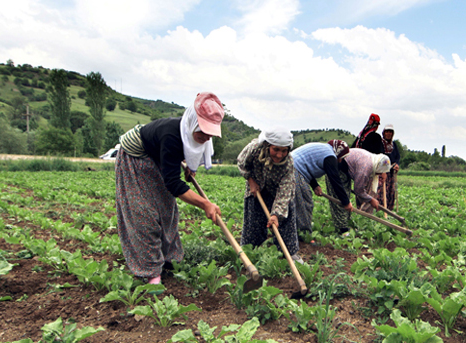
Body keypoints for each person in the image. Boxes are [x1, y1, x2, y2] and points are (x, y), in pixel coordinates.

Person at [116, 92, 223, 287]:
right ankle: (150, 273)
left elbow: (186, 153)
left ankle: (169, 260)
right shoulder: (172, 135)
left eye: (210, 134)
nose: (207, 138)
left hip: (156, 158)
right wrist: (205, 204)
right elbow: (173, 183)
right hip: (135, 157)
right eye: (203, 133)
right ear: (192, 125)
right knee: (144, 214)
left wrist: (190, 167)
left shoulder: (197, 135)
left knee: (167, 211)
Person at [237, 128, 302, 263]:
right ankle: (250, 251)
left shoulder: (288, 163)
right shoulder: (255, 149)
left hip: (277, 190)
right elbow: (242, 163)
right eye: (276, 150)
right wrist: (250, 180)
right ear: (268, 146)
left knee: (285, 220)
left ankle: (289, 253)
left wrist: (276, 214)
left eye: (284, 151)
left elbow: (285, 190)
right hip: (256, 185)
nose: (279, 155)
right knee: (253, 218)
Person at [292, 140, 354, 234]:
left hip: (293, 166)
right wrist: (346, 202)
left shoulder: (324, 150)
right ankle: (304, 234)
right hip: (294, 169)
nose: (340, 161)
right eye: (341, 157)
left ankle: (293, 231)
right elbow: (335, 181)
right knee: (304, 202)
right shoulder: (330, 156)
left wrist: (315, 185)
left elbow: (307, 164)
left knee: (293, 202)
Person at [327, 148, 391, 235]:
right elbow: (358, 190)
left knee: (346, 197)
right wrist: (371, 199)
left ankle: (345, 224)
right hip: (336, 170)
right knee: (340, 199)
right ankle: (342, 229)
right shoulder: (366, 167)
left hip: (344, 170)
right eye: (380, 172)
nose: (379, 175)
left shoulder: (372, 159)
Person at [377, 124, 401, 211]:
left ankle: (389, 210)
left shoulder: (394, 144)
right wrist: (383, 169)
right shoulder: (381, 144)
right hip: (383, 172)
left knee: (391, 192)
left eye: (390, 132)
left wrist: (397, 164)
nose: (388, 134)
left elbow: (397, 157)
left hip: (391, 172)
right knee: (383, 192)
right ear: (384, 133)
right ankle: (381, 210)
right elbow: (380, 156)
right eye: (387, 132)